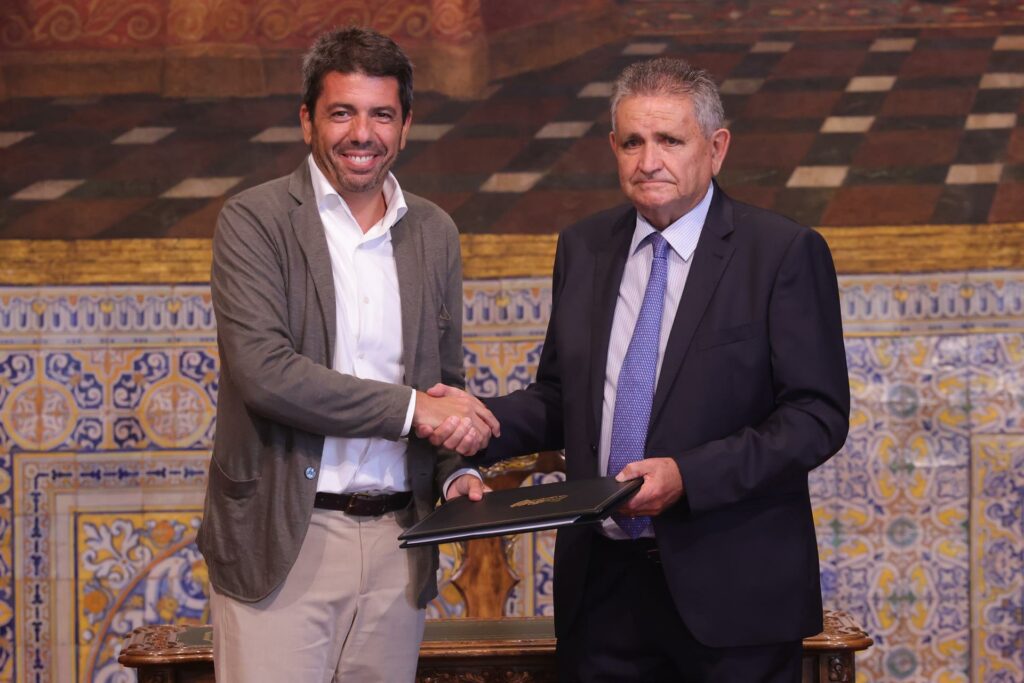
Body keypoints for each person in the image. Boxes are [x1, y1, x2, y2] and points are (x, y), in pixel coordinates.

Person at [421, 57, 850, 682]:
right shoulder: (584, 246)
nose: (649, 161)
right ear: (613, 148)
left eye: (670, 140)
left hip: (733, 598)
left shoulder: (781, 252)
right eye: (632, 142)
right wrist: (476, 423)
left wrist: (688, 477)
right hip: (603, 594)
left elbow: (816, 417)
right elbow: (562, 397)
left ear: (716, 149)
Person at [196, 27, 495, 683]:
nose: (363, 134)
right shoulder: (254, 220)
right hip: (284, 541)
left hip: (398, 546)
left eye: (381, 114)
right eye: (342, 113)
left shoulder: (435, 232)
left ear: (405, 126)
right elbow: (266, 374)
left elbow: (442, 382)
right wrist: (414, 411)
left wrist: (454, 472)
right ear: (308, 120)